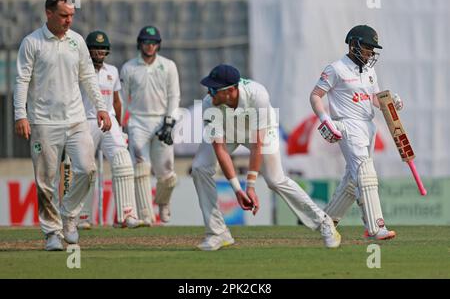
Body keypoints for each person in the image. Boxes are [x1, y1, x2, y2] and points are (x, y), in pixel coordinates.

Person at [191, 64, 341, 251]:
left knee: (275, 180)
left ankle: (324, 223)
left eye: (214, 89)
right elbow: (220, 149)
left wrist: (251, 186)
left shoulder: (257, 95)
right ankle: (218, 233)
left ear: (230, 90)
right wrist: (238, 190)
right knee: (199, 168)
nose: (209, 93)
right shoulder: (209, 103)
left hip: (262, 132)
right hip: (228, 130)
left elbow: (256, 145)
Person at [13, 0, 111, 251]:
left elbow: (89, 78)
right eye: (64, 15)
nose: (69, 20)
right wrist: (20, 114)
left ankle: (69, 215)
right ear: (49, 13)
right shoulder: (32, 43)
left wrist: (102, 109)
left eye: (72, 16)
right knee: (46, 181)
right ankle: (51, 234)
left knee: (88, 169)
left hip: (77, 119)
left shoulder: (77, 41)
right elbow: (22, 80)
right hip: (43, 122)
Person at [310, 25, 403, 240]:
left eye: (373, 49)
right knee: (365, 172)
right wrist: (326, 120)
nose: (370, 53)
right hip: (348, 124)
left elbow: (373, 97)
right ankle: (376, 227)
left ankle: (327, 221)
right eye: (367, 47)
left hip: (368, 125)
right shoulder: (335, 68)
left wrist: (391, 102)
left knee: (353, 179)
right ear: (353, 44)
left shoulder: (370, 71)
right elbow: (315, 96)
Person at [76, 30, 141, 230]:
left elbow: (116, 102)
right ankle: (81, 216)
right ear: (88, 50)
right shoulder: (79, 70)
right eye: (95, 48)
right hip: (85, 121)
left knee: (123, 162)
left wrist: (120, 127)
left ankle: (127, 215)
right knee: (84, 169)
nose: (99, 52)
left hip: (110, 121)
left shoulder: (112, 71)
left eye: (102, 49)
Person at [120, 25, 180, 225]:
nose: (150, 46)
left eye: (153, 43)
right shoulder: (129, 68)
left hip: (162, 121)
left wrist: (170, 122)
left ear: (158, 45)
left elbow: (174, 96)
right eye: (146, 42)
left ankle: (163, 204)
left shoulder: (169, 66)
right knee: (141, 168)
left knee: (167, 174)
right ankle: (146, 215)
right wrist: (120, 124)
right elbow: (123, 99)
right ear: (140, 44)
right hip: (138, 122)